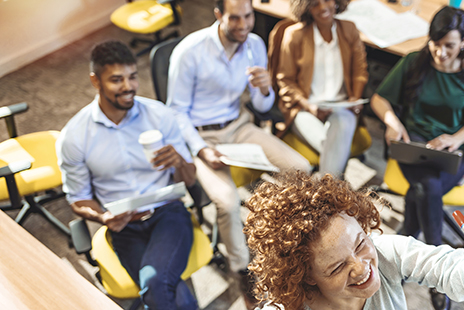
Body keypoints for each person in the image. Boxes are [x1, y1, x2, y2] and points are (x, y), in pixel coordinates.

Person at [166, 0, 311, 302]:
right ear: (218, 14)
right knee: (228, 203)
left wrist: (264, 89)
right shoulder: (190, 52)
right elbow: (176, 112)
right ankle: (242, 270)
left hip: (239, 125)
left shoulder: (254, 44)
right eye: (235, 18)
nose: (243, 24)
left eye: (248, 16)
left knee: (301, 168)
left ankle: (285, 240)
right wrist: (201, 149)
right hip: (202, 135)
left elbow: (260, 107)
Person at [57, 41, 198, 310]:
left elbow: (189, 180)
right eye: (116, 80)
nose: (128, 87)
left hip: (167, 213)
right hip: (123, 227)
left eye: (133, 77)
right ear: (95, 81)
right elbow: (78, 199)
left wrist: (180, 162)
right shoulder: (74, 136)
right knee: (171, 293)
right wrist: (102, 217)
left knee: (156, 283)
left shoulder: (159, 115)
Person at [244, 171, 464, 310]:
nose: (362, 268)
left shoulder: (387, 253)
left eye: (361, 244)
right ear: (306, 276)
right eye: (337, 267)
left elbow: (447, 268)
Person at [371, 2, 464, 279]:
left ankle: (408, 235)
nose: (440, 52)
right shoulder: (415, 61)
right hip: (413, 143)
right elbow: (379, 98)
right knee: (428, 186)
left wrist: (455, 138)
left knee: (424, 191)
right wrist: (392, 122)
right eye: (435, 43)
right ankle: (438, 263)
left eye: (449, 45)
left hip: (452, 149)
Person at [276, 0, 368, 177]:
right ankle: (333, 192)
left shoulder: (349, 30)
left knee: (341, 129)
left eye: (327, 0)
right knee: (336, 146)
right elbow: (285, 81)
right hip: (304, 108)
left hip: (341, 107)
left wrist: (355, 98)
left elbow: (360, 71)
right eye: (315, 3)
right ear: (306, 7)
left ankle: (323, 192)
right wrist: (309, 106)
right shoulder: (294, 35)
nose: (323, 7)